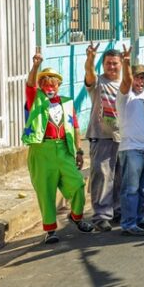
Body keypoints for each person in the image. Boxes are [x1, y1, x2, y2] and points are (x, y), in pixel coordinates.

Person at [22, 50, 94, 244]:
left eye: (53, 82)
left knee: (78, 185)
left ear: (59, 85)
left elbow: (75, 128)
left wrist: (78, 151)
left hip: (63, 149)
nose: (49, 86)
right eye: (45, 82)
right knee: (45, 191)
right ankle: (50, 230)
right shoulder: (35, 99)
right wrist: (36, 66)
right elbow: (29, 85)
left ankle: (76, 217)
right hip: (41, 151)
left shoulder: (68, 103)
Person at [116, 46, 144, 237]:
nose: (140, 81)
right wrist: (126, 62)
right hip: (132, 149)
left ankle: (139, 217)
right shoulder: (126, 96)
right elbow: (125, 82)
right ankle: (128, 223)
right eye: (137, 77)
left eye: (143, 78)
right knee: (131, 189)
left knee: (143, 188)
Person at [84, 43, 122, 231]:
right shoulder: (98, 82)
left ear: (121, 64)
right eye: (108, 63)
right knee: (102, 176)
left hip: (121, 138)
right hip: (101, 137)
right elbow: (89, 74)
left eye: (115, 63)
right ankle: (101, 216)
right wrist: (90, 58)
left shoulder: (124, 85)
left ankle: (117, 211)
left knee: (119, 177)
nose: (111, 67)